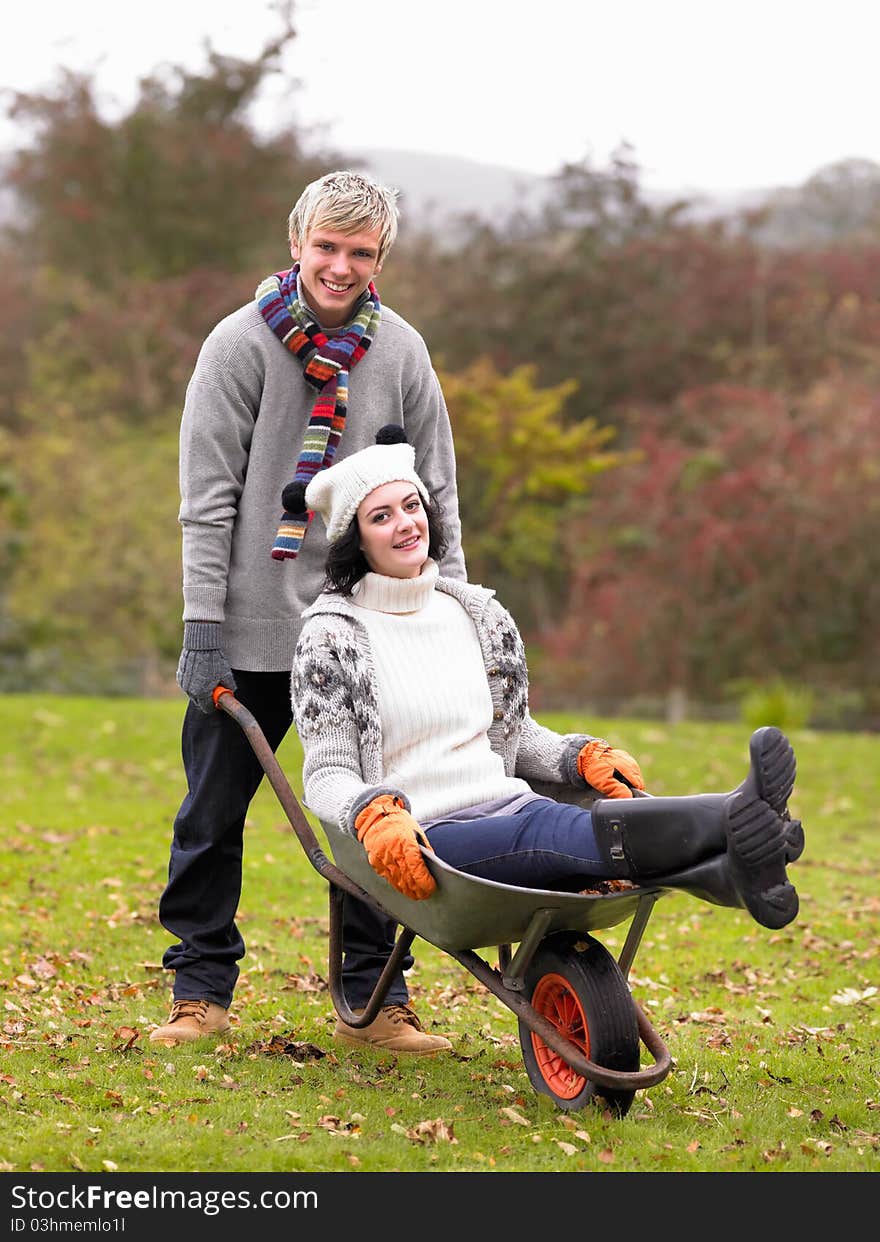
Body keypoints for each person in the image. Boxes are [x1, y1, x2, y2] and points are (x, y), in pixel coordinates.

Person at [291, 430, 806, 1038]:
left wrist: (575, 756)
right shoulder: (331, 636)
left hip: (510, 805)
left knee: (579, 811)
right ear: (356, 539)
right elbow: (325, 773)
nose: (406, 524)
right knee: (550, 829)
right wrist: (370, 812)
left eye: (412, 505)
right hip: (432, 837)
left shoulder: (475, 615)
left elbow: (512, 733)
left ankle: (731, 869)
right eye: (382, 516)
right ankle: (735, 819)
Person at [151, 170, 467, 1054]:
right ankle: (200, 992)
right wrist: (202, 627)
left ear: (379, 261)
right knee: (210, 817)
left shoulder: (400, 352)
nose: (338, 265)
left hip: (363, 630)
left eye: (358, 253)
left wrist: (452, 609)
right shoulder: (238, 347)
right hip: (249, 627)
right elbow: (207, 500)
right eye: (325, 247)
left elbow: (434, 488)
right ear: (297, 246)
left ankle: (373, 999)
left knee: (369, 817)